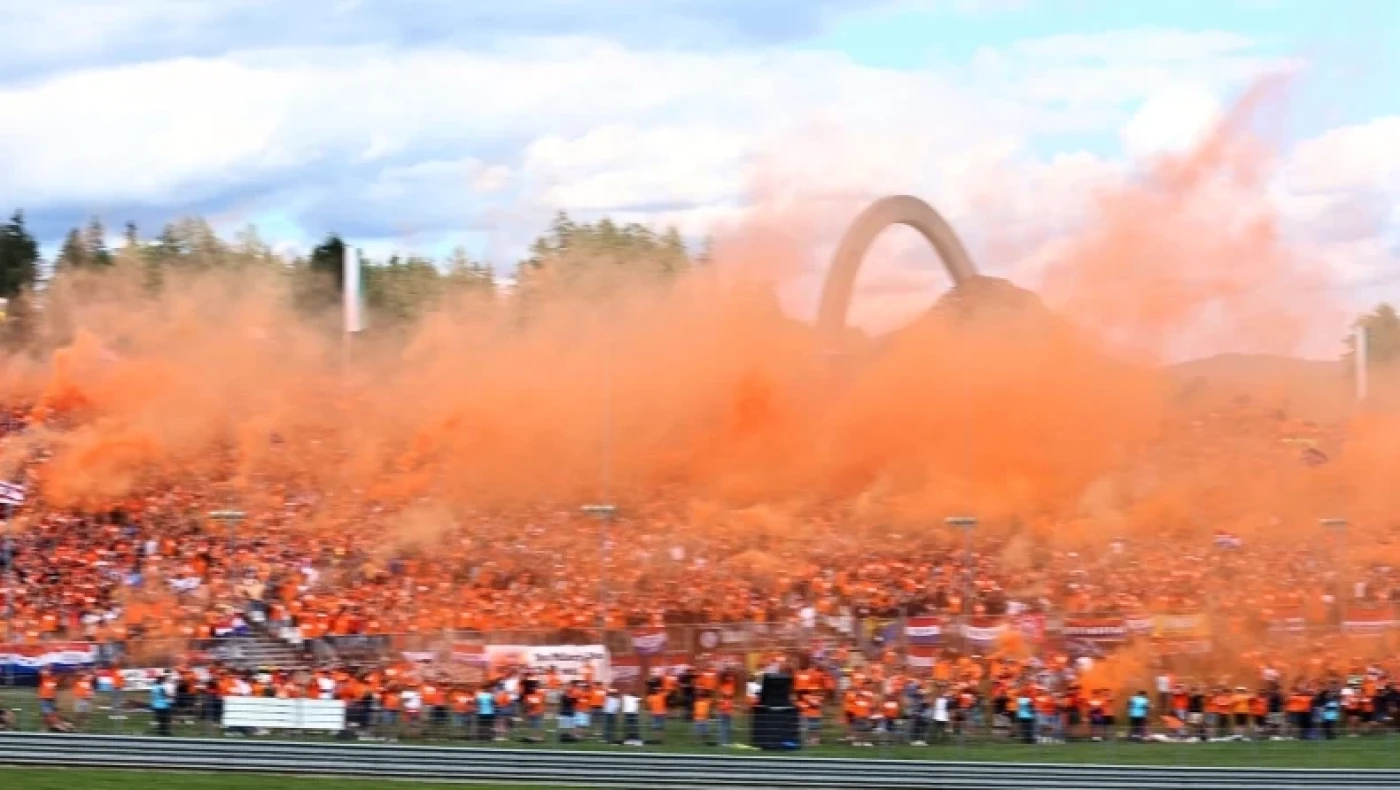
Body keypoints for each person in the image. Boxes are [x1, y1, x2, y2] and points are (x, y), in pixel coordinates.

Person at [150, 670, 174, 736]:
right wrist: (172, 695)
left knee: (160, 720)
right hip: (164, 706)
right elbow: (166, 695)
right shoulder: (161, 688)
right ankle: (166, 732)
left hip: (156, 706)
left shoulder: (153, 687)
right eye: (163, 680)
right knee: (166, 720)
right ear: (161, 681)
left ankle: (160, 732)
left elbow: (153, 696)